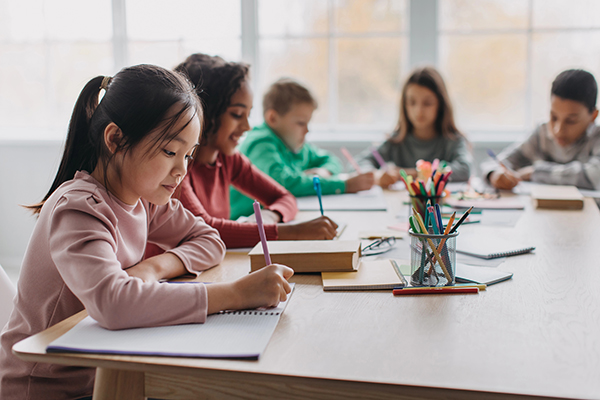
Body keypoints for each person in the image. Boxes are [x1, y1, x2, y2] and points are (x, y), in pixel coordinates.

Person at [0, 65, 293, 400]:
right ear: (115, 139)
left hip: (110, 369)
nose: (182, 170)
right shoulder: (78, 208)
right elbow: (113, 303)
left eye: (188, 155)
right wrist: (237, 295)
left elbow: (210, 240)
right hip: (47, 387)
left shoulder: (145, 200)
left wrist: (153, 268)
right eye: (171, 152)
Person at [169, 54, 338, 250]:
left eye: (248, 115)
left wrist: (267, 216)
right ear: (203, 112)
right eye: (237, 115)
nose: (247, 126)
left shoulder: (228, 159)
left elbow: (285, 198)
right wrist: (295, 232)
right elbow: (205, 230)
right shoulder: (178, 167)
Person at [229, 78, 375, 220]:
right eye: (301, 123)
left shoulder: (294, 145)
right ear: (272, 118)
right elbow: (284, 184)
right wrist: (345, 185)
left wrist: (323, 172)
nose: (307, 130)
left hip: (278, 220)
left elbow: (331, 160)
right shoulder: (260, 143)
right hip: (245, 227)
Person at [483, 69, 600, 191]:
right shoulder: (541, 134)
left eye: (571, 121)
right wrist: (495, 174)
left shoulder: (597, 139)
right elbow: (495, 163)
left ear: (593, 116)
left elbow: (594, 176)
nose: (558, 130)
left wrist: (534, 172)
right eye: (553, 117)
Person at [358, 66, 472, 187]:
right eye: (411, 102)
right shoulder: (396, 140)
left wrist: (408, 173)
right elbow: (360, 162)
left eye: (427, 103)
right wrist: (377, 176)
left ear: (441, 105)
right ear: (404, 104)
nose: (419, 111)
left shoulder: (452, 140)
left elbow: (464, 170)